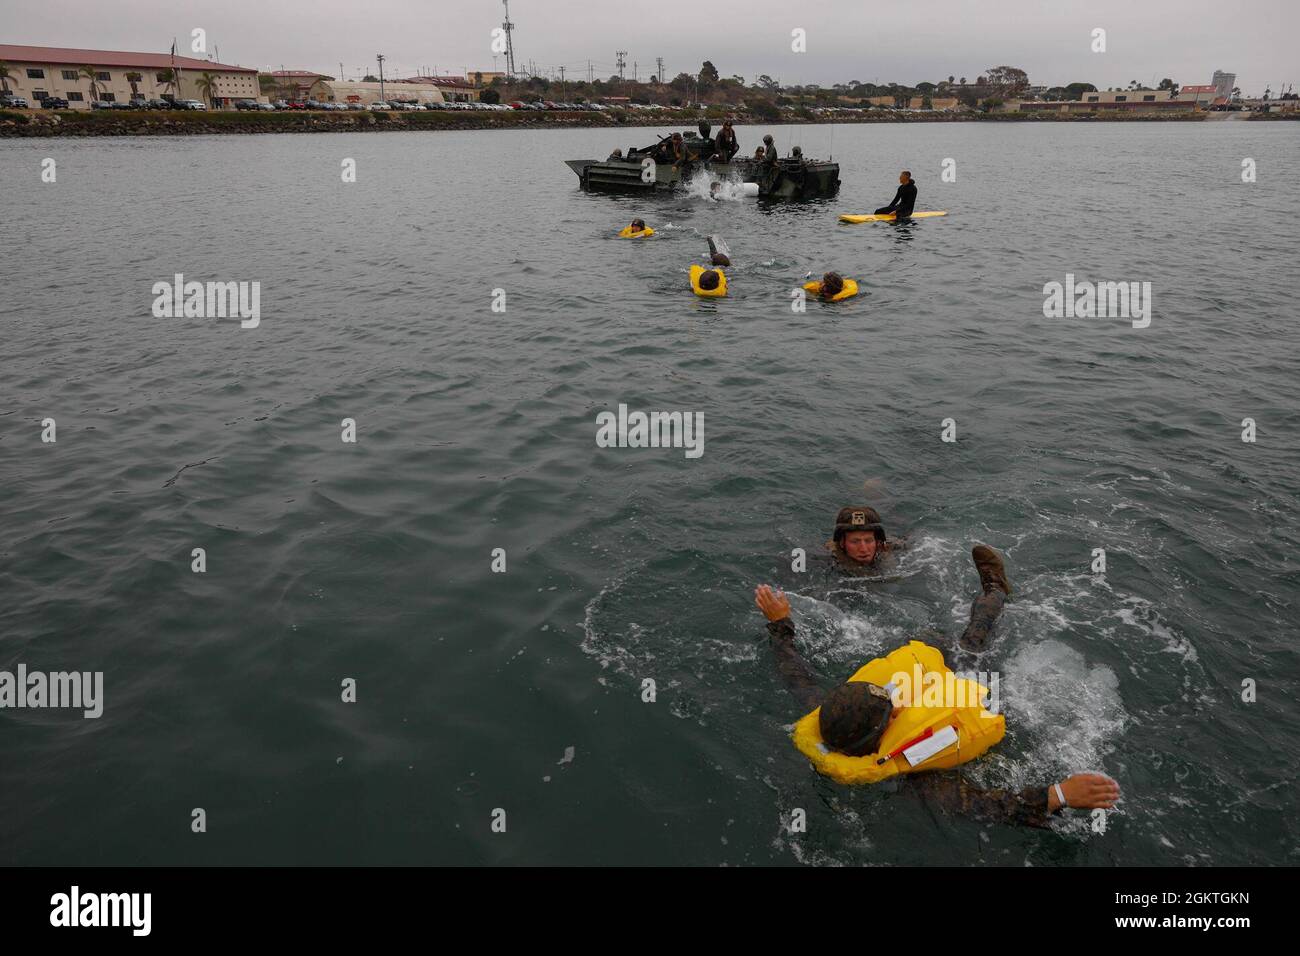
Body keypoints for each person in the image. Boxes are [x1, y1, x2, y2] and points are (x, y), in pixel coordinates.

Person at [753, 545, 1121, 827]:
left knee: (930, 638)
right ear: (882, 729)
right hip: (965, 697)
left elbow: (793, 670)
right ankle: (996, 589)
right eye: (889, 707)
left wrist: (780, 623)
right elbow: (991, 806)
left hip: (927, 679)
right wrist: (1060, 793)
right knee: (974, 642)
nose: (896, 704)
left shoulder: (825, 717)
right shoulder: (919, 776)